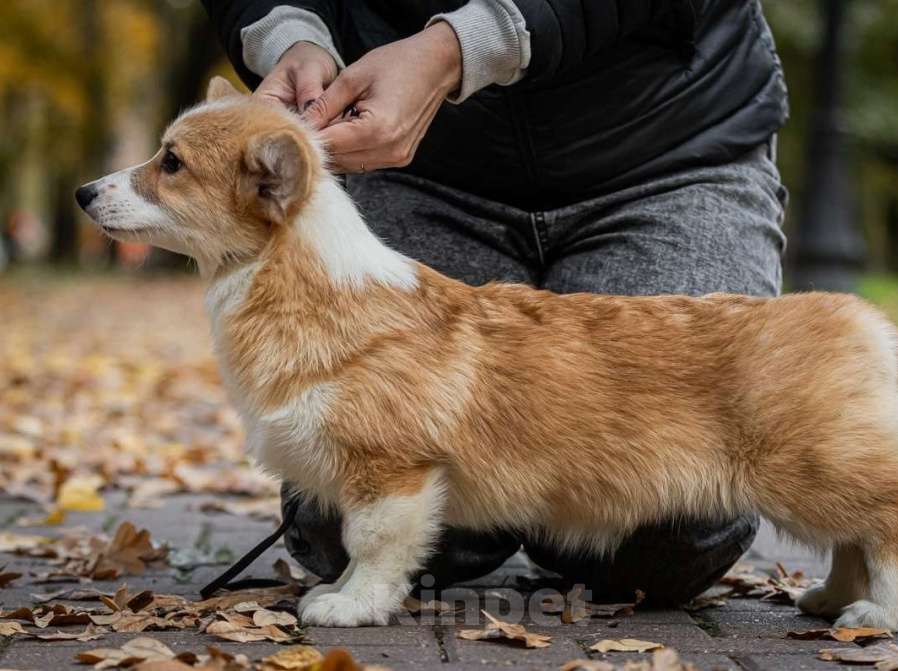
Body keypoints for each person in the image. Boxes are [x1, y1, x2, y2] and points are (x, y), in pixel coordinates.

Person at [202, 0, 789, 605]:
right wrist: (291, 33)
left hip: (667, 150)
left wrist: (457, 47)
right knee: (340, 511)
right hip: (420, 168)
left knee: (666, 538)